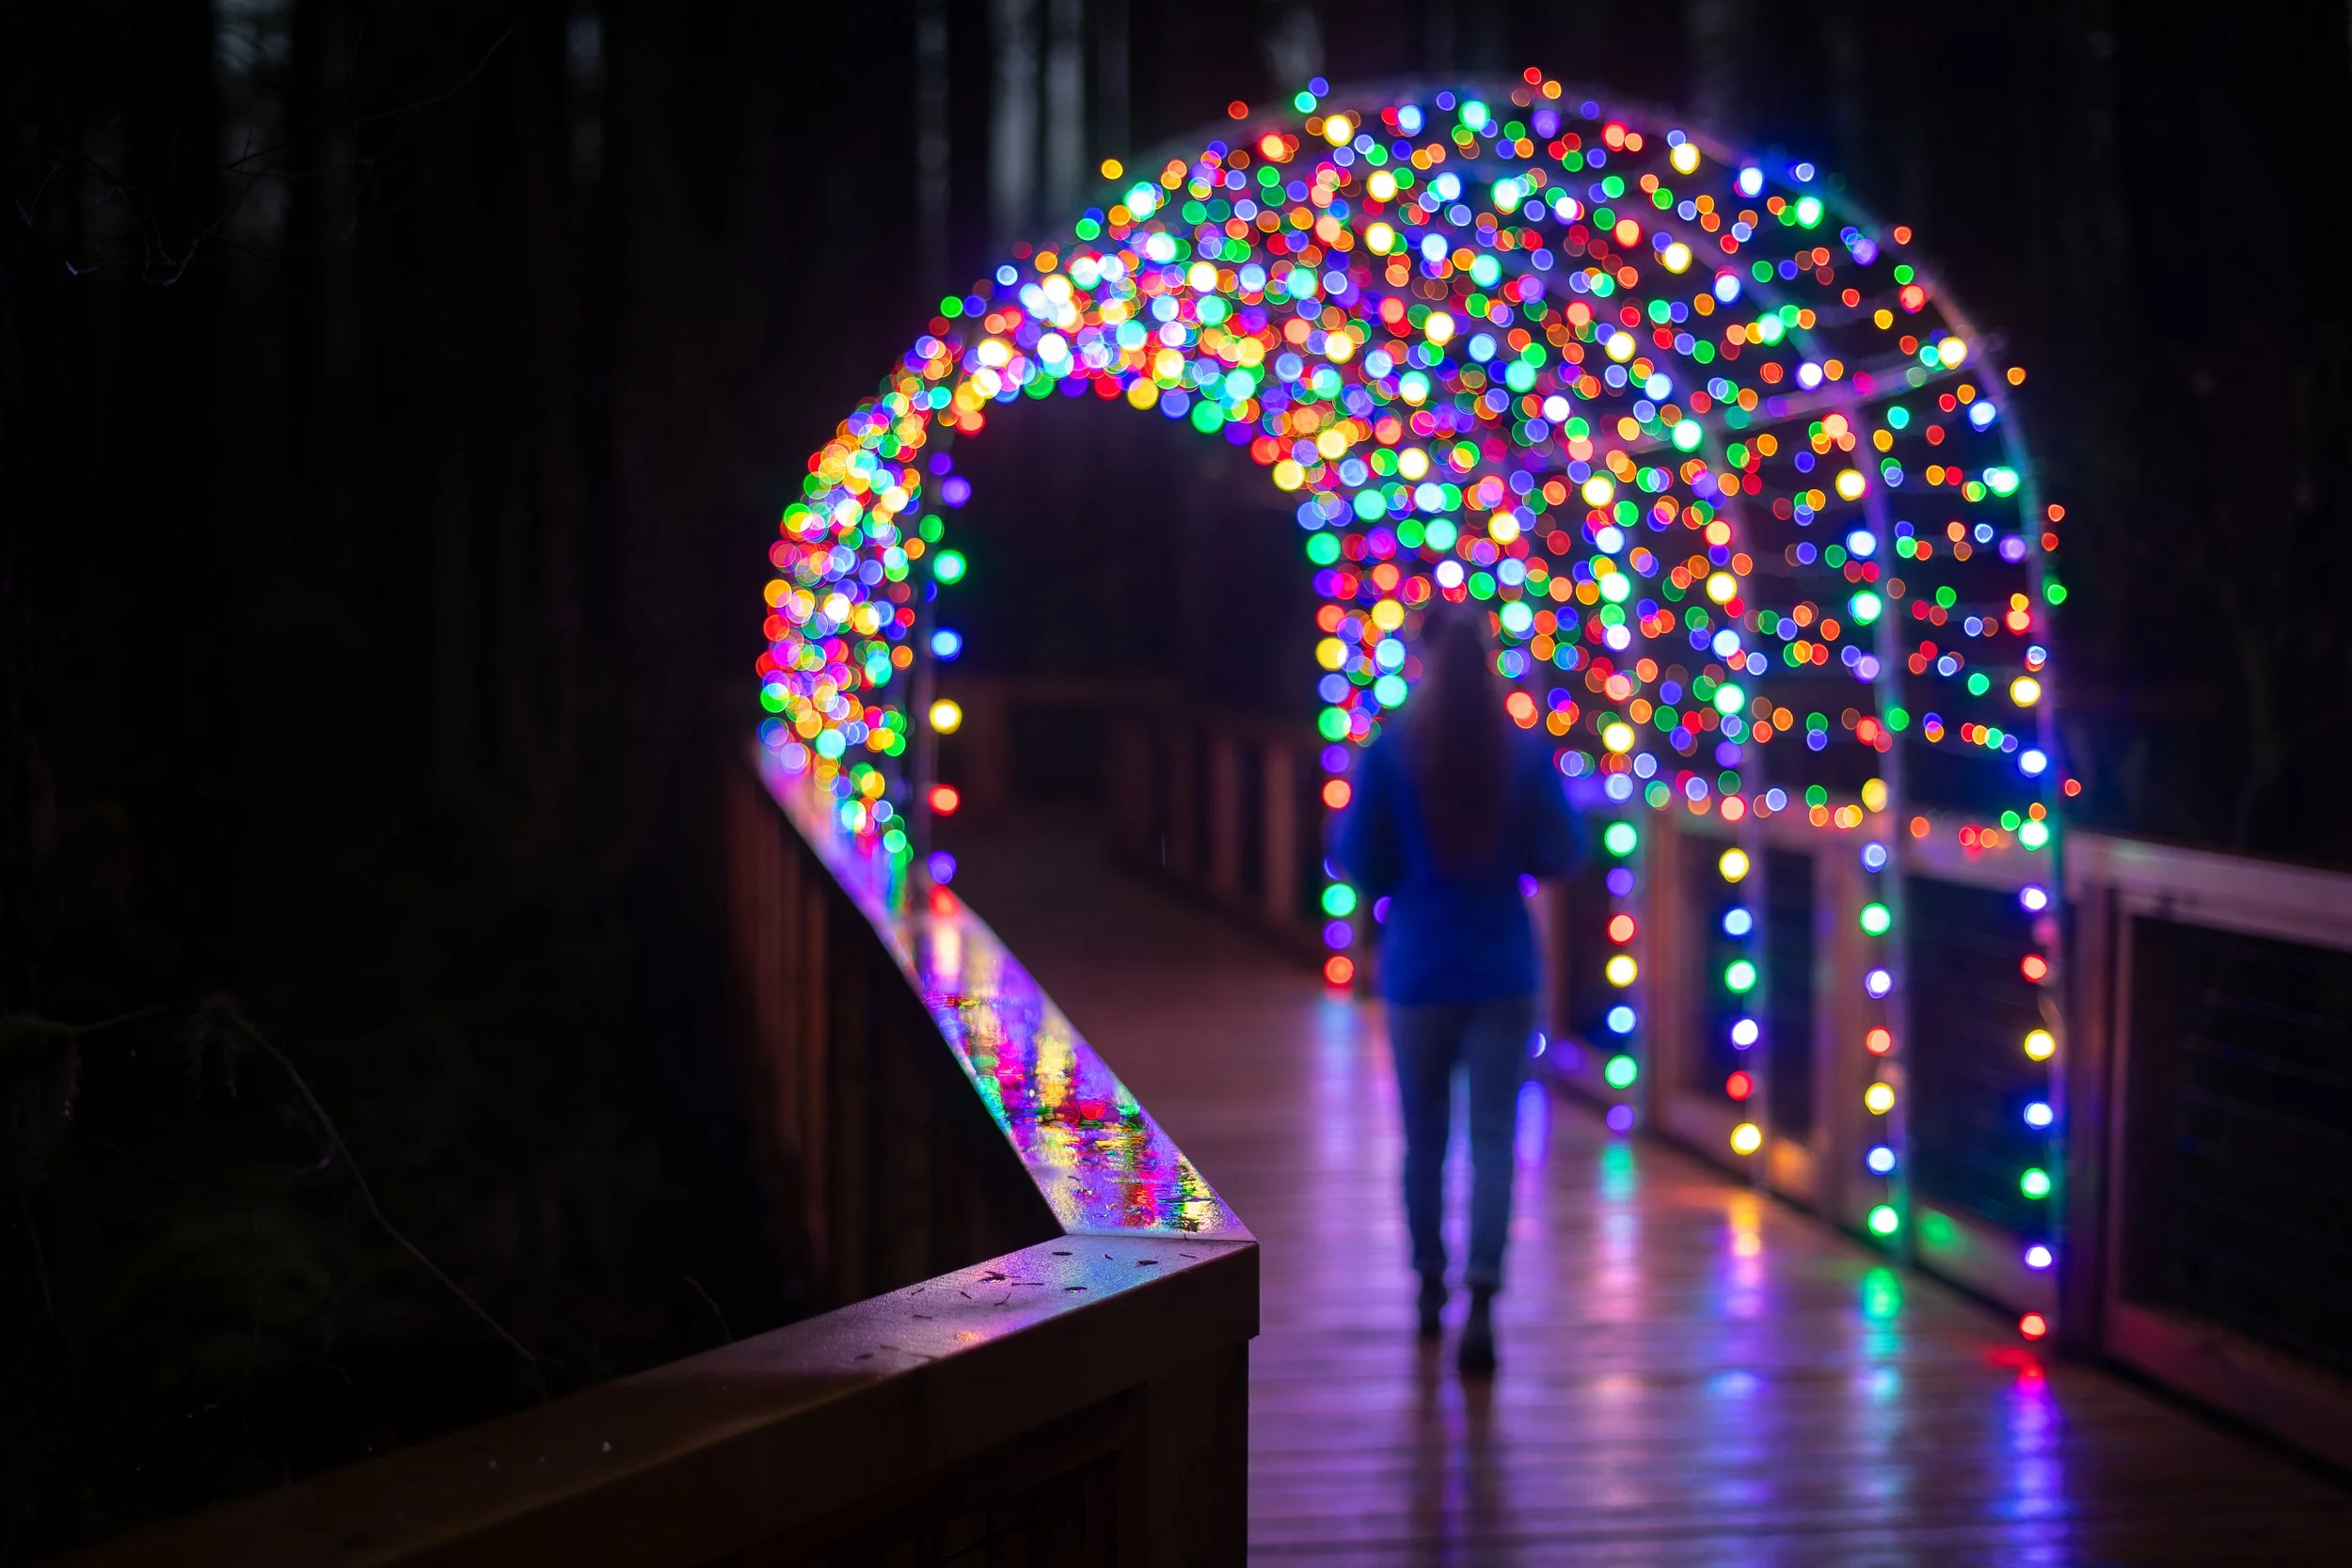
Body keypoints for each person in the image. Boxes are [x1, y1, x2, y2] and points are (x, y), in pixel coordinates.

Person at [1335, 598, 1581, 1375]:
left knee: (1424, 1139)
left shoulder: (1390, 753)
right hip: (1503, 967)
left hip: (1418, 967)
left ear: (1420, 658)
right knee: (1495, 1141)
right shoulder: (1524, 753)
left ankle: (1426, 1287)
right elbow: (1563, 852)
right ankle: (1483, 1296)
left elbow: (1357, 860)